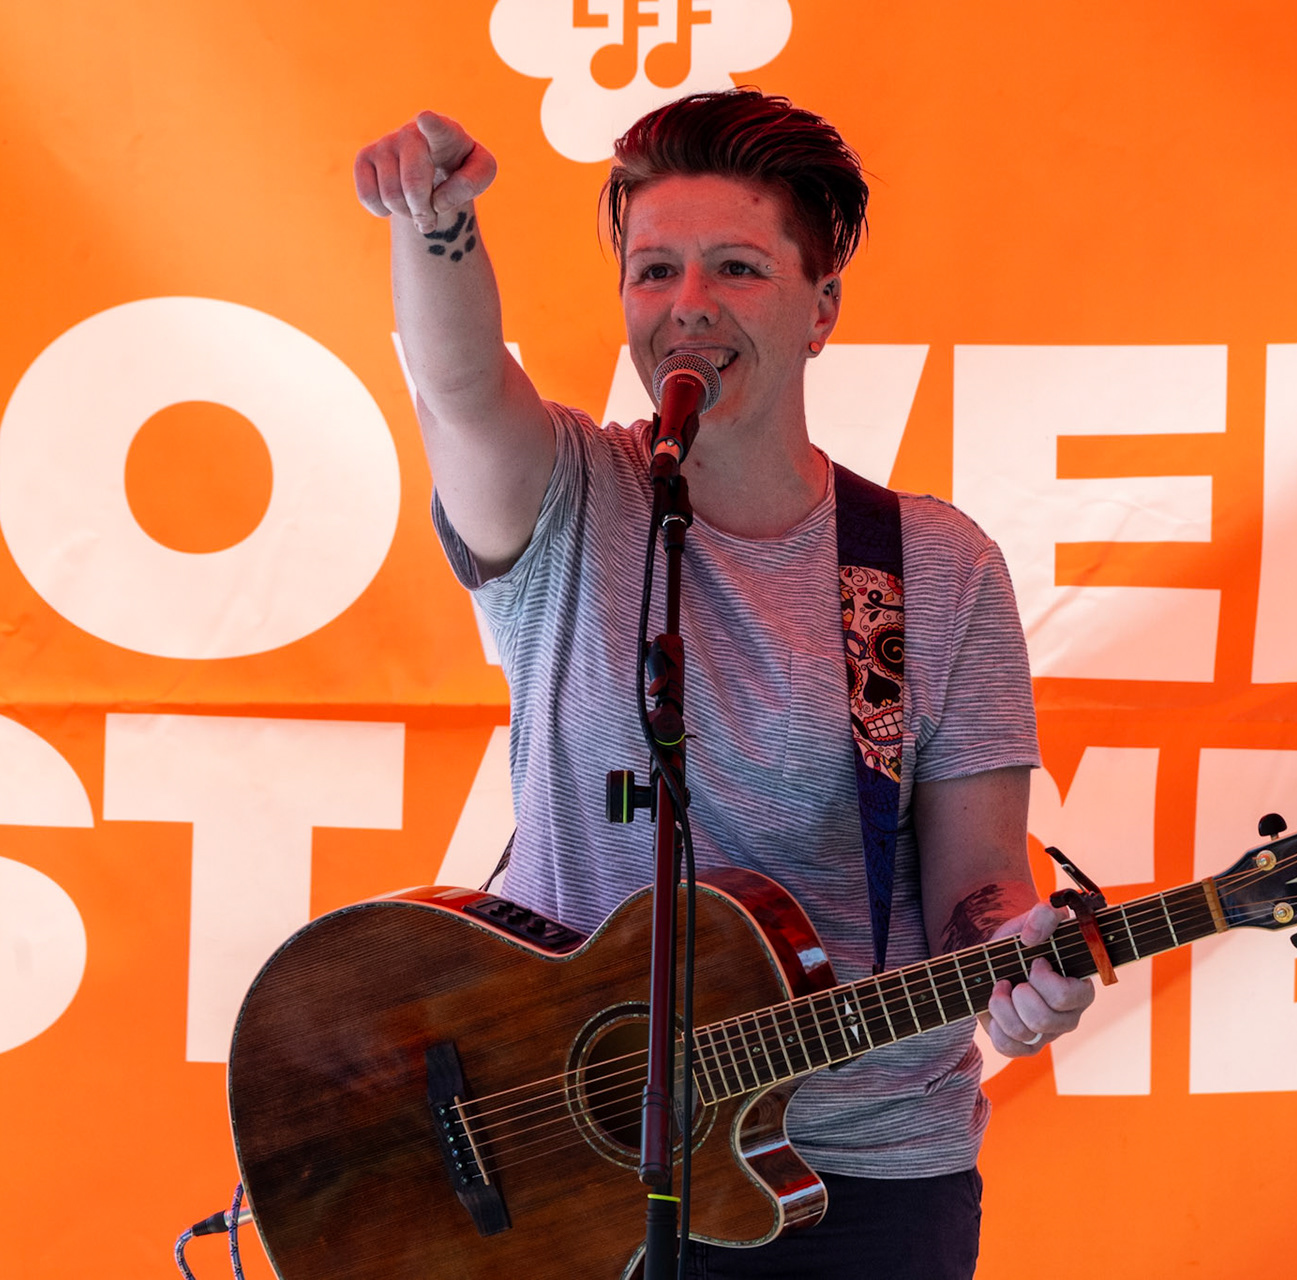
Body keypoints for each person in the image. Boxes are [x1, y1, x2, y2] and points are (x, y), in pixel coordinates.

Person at [353, 89, 1094, 1279]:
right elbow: (460, 390)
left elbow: (980, 879)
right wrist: (434, 220)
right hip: (566, 1170)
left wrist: (1019, 962)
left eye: (737, 267)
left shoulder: (935, 567)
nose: (687, 304)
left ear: (822, 308)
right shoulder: (567, 496)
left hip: (859, 1177)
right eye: (654, 271)